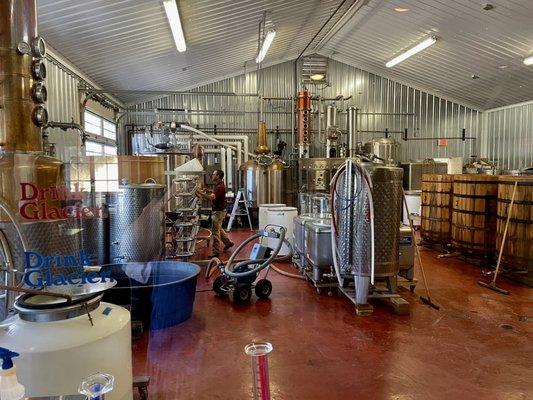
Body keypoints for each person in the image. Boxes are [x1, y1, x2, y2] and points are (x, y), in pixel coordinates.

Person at [195, 169, 234, 257]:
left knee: (215, 232)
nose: (212, 176)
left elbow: (211, 198)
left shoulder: (220, 187)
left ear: (218, 176)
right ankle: (228, 243)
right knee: (219, 228)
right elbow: (214, 193)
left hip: (218, 212)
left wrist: (199, 192)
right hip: (220, 211)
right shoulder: (219, 185)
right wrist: (208, 190)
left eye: (214, 174)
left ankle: (216, 251)